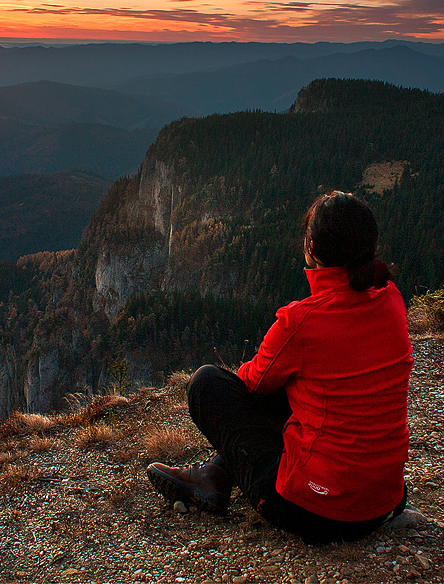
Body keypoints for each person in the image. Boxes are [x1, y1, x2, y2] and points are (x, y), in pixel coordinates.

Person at [147, 190, 413, 544]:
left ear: (312, 249)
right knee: (299, 388)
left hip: (315, 510)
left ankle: (215, 475)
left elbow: (252, 385)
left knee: (207, 384)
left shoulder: (302, 322)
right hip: (383, 500)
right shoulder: (390, 299)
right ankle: (215, 473)